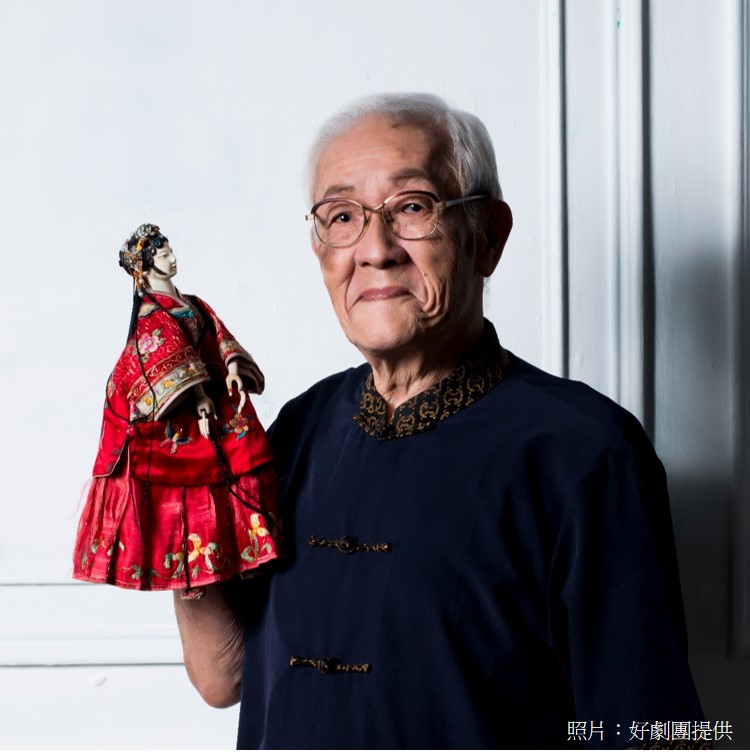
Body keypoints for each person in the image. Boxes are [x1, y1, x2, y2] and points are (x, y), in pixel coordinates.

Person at [173, 94, 704, 748]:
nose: (375, 250)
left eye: (412, 207)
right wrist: (179, 494)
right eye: (342, 216)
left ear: (487, 236)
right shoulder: (295, 429)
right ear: (319, 249)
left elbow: (653, 730)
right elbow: (222, 675)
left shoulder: (587, 453)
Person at [72, 223, 279, 599]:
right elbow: (170, 355)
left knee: (242, 450)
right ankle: (192, 571)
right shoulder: (151, 314)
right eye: (164, 253)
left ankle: (251, 552)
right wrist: (198, 397)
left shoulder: (192, 302)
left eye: (170, 250)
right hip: (180, 400)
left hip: (210, 388)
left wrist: (233, 367)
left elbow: (218, 334)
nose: (172, 258)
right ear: (147, 266)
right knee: (188, 479)